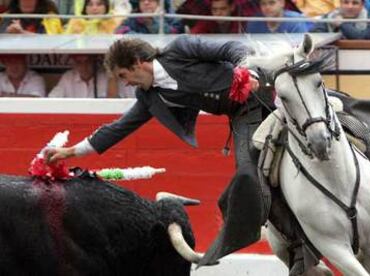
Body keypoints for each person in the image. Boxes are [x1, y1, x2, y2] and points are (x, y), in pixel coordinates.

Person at [44, 35, 273, 267]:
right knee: (245, 171)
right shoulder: (149, 96)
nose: (125, 83)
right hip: (243, 113)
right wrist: (70, 151)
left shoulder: (180, 49)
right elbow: (118, 128)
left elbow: (232, 47)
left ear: (136, 63)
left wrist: (247, 73)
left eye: (123, 75)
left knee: (270, 155)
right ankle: (264, 223)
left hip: (267, 90)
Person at [48, 55, 114, 98]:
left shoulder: (106, 77)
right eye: (79, 62)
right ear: (74, 64)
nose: (84, 66)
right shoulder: (68, 77)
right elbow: (52, 99)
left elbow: (116, 104)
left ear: (94, 62)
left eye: (87, 62)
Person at [115, 0, 184, 34]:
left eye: (151, 0)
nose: (146, 2)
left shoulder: (172, 18)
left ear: (159, 3)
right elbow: (120, 31)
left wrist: (156, 19)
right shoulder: (133, 18)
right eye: (142, 0)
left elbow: (174, 34)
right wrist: (143, 40)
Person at [246, 0, 311, 34]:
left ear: (282, 3)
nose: (267, 7)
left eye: (272, 3)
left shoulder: (294, 20)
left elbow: (301, 49)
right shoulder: (254, 22)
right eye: (263, 3)